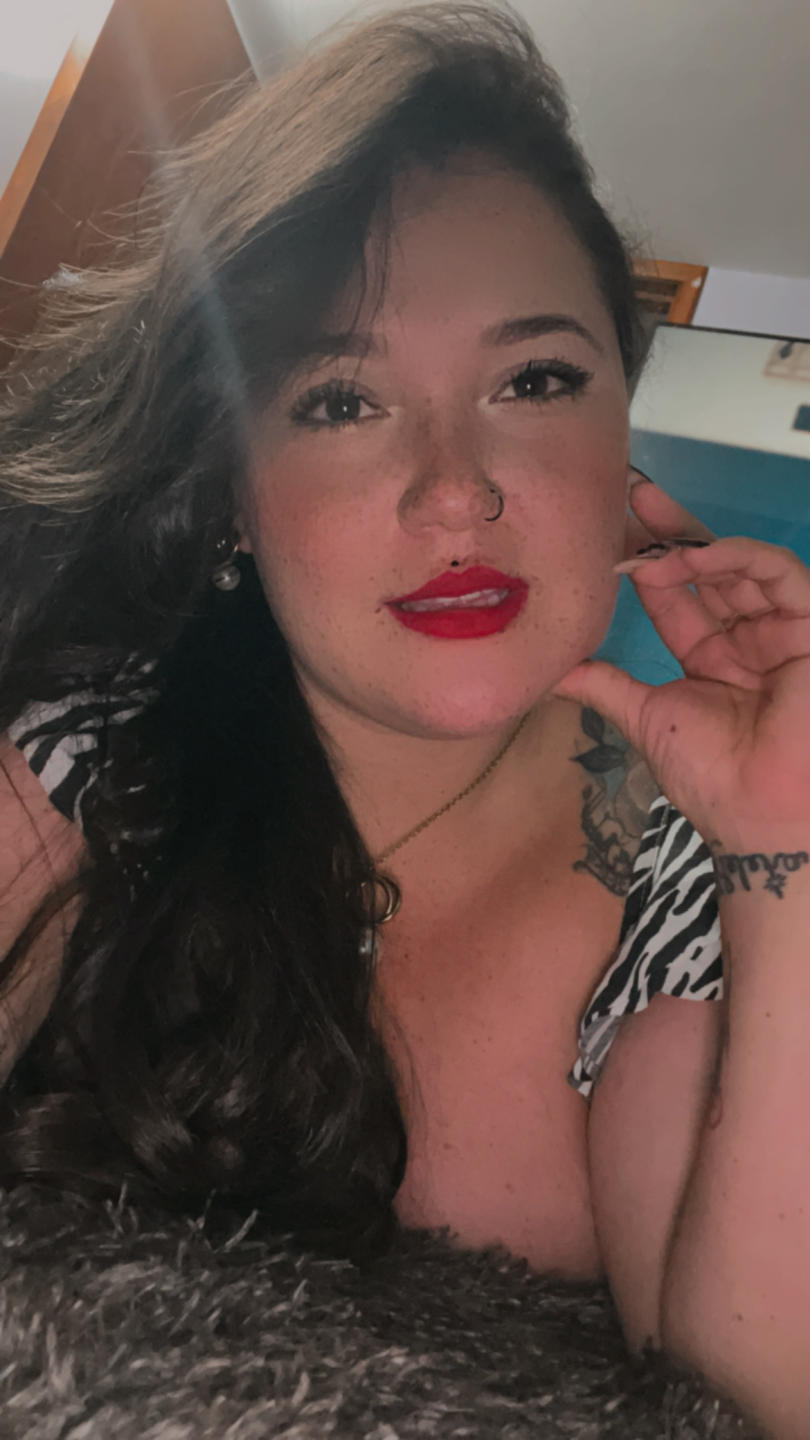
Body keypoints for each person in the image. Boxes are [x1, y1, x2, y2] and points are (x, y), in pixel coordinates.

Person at [1, 4, 809, 1432]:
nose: (455, 491)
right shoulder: (81, 762)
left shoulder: (696, 897)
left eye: (534, 380)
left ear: (620, 441)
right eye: (340, 400)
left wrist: (784, 856)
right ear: (234, 495)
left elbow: (751, 1400)